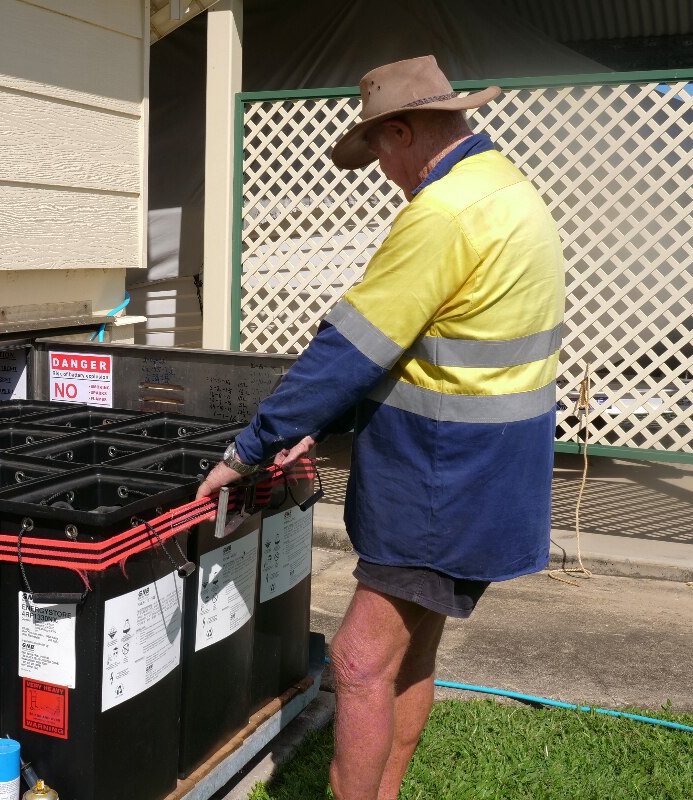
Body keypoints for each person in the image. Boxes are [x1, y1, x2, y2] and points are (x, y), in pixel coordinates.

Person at [196, 55, 566, 800]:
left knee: (361, 663)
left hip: (442, 484)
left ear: (402, 131)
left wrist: (250, 447)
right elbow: (436, 348)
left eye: (381, 155)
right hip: (493, 476)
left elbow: (353, 349)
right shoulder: (504, 188)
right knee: (412, 651)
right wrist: (326, 424)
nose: (387, 174)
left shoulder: (442, 212)